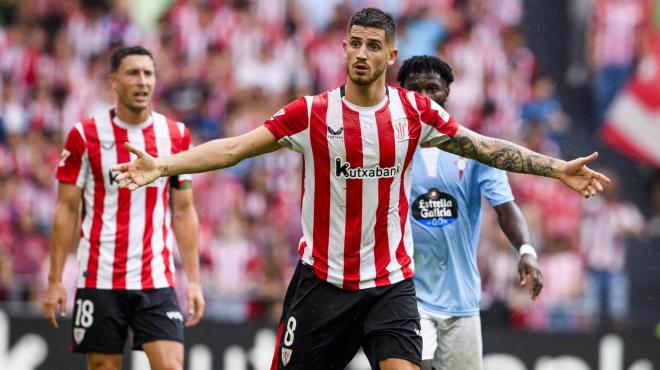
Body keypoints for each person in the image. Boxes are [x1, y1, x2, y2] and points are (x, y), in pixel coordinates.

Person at [113, 8, 609, 370]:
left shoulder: (415, 114)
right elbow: (232, 149)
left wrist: (555, 168)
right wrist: (163, 166)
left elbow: (485, 147)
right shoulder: (311, 114)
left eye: (374, 46)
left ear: (390, 55)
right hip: (322, 282)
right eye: (356, 43)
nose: (363, 53)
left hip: (390, 285)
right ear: (344, 47)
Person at [43, 46, 205, 370]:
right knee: (103, 366)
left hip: (155, 277)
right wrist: (55, 280)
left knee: (171, 366)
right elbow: (66, 210)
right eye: (133, 73)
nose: (142, 81)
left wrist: (195, 280)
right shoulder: (84, 136)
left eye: (148, 73)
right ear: (113, 81)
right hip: (100, 276)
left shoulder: (175, 136)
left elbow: (184, 211)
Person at [397, 55, 543, 370]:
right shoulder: (390, 150)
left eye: (432, 88)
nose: (423, 97)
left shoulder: (475, 149)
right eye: (414, 89)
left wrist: (526, 250)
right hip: (407, 296)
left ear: (446, 93)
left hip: (460, 300)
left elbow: (505, 208)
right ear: (401, 93)